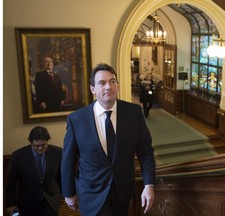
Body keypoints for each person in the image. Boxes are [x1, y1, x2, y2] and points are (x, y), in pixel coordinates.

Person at [61, 63, 156, 216]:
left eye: (112, 81)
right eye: (102, 83)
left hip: (122, 192)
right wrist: (68, 192)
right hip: (90, 194)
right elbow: (68, 159)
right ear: (93, 89)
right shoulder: (77, 119)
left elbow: (146, 152)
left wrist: (149, 184)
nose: (108, 87)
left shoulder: (133, 113)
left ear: (117, 86)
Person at [5, 126, 63, 216]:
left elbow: (61, 177)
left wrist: (62, 197)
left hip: (51, 202)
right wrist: (11, 204)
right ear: (31, 142)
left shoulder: (58, 152)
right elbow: (11, 183)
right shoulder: (18, 156)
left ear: (47, 141)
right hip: (27, 203)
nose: (40, 148)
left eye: (43, 145)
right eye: (37, 146)